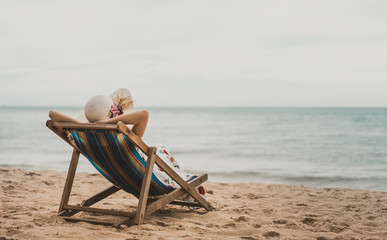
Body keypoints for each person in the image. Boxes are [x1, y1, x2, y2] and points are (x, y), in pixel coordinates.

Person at [49, 89, 206, 199]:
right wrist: (107, 123)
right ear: (114, 114)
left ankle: (186, 191)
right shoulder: (123, 138)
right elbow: (144, 114)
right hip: (150, 180)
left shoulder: (83, 139)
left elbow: (52, 115)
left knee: (158, 152)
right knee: (160, 151)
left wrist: (86, 124)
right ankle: (186, 189)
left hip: (123, 179)